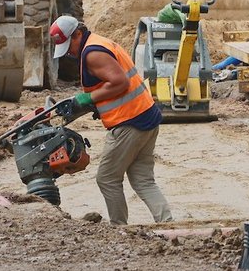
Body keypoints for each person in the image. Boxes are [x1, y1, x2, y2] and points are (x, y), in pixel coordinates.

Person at [49, 15, 172, 225]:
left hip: (129, 122)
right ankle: (168, 223)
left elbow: (120, 82)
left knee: (107, 178)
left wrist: (88, 98)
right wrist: (97, 105)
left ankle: (118, 229)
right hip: (146, 114)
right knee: (143, 180)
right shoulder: (99, 42)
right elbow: (112, 85)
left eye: (69, 45)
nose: (69, 51)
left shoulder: (92, 53)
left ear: (78, 34)